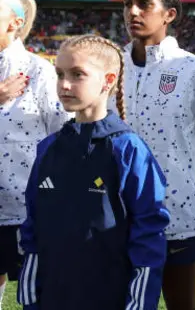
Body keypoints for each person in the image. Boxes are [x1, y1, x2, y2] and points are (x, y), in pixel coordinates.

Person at [17, 35, 170, 310]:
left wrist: (138, 304)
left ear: (108, 80)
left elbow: (149, 234)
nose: (64, 84)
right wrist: (31, 299)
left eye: (78, 75)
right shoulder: (48, 149)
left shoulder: (128, 149)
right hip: (53, 298)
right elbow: (32, 227)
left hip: (109, 297)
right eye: (60, 74)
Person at [121, 0, 195, 310]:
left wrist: (189, 187)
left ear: (169, 14)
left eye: (144, 3)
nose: (133, 12)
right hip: (119, 215)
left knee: (183, 304)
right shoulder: (110, 68)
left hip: (179, 215)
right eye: (127, 3)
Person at [0, 0, 69, 309]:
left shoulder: (39, 71)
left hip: (28, 210)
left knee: (41, 296)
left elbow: (64, 137)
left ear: (14, 23)